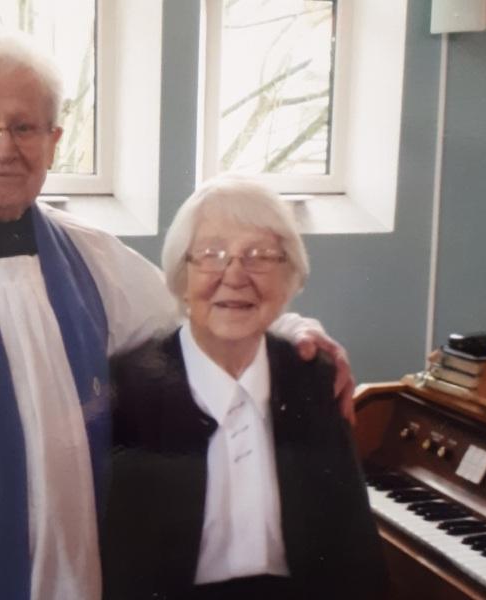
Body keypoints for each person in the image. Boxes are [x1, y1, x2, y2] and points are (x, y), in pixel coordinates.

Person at [0, 28, 356, 600]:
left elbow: (193, 320)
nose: (4, 147)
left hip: (70, 567)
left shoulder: (88, 256)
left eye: (25, 127)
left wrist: (292, 332)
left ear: (53, 140)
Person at [102, 176, 387, 600]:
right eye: (212, 255)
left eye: (261, 257)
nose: (234, 276)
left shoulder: (313, 379)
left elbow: (352, 550)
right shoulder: (128, 387)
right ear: (182, 276)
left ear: (289, 277)